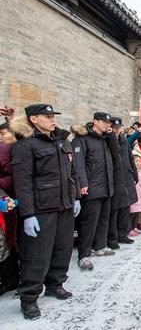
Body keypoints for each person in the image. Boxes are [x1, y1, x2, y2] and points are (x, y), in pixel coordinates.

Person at [11, 104, 81, 320]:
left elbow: (73, 171)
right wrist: (28, 214)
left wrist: (76, 196)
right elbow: (22, 183)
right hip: (42, 208)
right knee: (37, 255)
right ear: (33, 119)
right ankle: (29, 297)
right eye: (47, 116)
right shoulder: (26, 146)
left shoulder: (62, 141)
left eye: (53, 116)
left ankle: (55, 283)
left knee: (63, 249)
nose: (52, 120)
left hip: (65, 205)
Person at [71, 112, 115, 271]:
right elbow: (78, 163)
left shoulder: (104, 139)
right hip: (91, 186)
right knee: (88, 223)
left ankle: (99, 246)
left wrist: (111, 137)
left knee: (103, 219)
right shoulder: (82, 138)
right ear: (94, 121)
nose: (107, 125)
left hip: (106, 185)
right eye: (104, 122)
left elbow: (114, 157)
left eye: (108, 123)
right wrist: (82, 182)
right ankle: (84, 254)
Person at [107, 117, 138, 250]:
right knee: (115, 210)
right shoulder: (108, 139)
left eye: (118, 128)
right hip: (115, 178)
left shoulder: (124, 140)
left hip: (127, 176)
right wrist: (111, 136)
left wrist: (134, 174)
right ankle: (112, 238)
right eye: (114, 127)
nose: (117, 130)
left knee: (126, 207)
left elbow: (130, 157)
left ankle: (123, 234)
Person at [0, 121, 19, 295]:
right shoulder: (6, 149)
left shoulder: (6, 149)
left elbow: (13, 175)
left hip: (9, 200)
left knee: (10, 238)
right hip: (8, 199)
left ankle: (11, 278)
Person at [129, 154, 141, 237]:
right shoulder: (132, 172)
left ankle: (134, 226)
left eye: (139, 161)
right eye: (136, 161)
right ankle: (130, 228)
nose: (138, 163)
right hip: (135, 195)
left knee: (137, 213)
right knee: (132, 213)